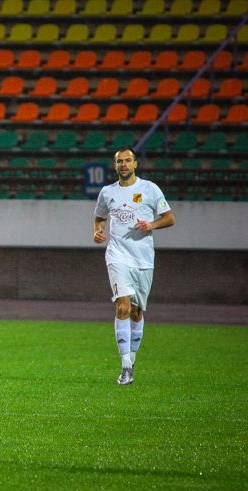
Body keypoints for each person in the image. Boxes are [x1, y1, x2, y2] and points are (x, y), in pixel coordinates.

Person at [93, 148, 175, 385]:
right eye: (120, 161)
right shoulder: (107, 192)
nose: (124, 164)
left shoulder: (150, 189)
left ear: (135, 164)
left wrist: (151, 225)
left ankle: (132, 358)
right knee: (123, 306)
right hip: (117, 255)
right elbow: (100, 217)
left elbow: (169, 218)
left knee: (137, 312)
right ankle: (125, 366)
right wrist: (97, 231)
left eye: (128, 160)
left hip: (143, 258)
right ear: (115, 165)